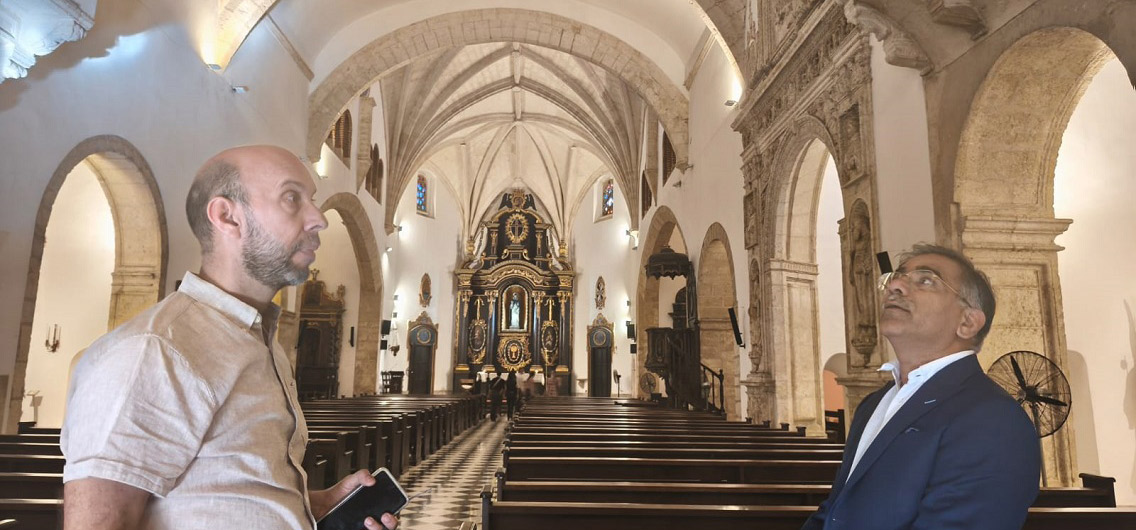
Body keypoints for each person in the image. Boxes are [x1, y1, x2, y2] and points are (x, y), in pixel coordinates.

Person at [61, 146, 399, 530]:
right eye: (292, 198)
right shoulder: (153, 351)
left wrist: (313, 507)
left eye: (312, 200)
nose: (319, 218)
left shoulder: (260, 342)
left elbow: (227, 493)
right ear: (227, 216)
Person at [802, 244, 1040, 530]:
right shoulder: (874, 404)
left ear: (967, 322)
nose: (896, 286)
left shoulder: (993, 419)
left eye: (926, 280)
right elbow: (836, 511)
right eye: (896, 277)